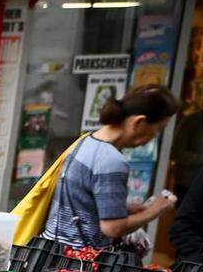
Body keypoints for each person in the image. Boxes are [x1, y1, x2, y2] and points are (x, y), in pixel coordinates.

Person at [41, 84, 182, 253]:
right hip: (79, 263)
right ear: (139, 122)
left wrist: (122, 208)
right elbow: (112, 228)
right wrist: (155, 209)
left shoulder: (86, 140)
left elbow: (79, 199)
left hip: (51, 250)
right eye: (158, 129)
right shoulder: (111, 160)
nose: (154, 137)